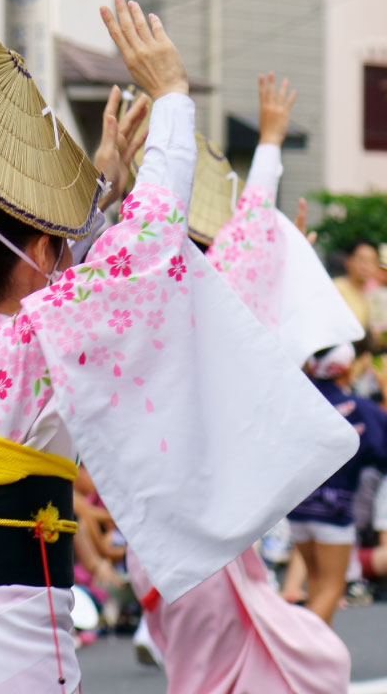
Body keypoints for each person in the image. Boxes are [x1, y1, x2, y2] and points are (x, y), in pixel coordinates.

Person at [0, 0, 356, 693]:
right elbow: (143, 247)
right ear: (44, 255)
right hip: (4, 655)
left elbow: (90, 276)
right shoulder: (32, 348)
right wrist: (172, 96)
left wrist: (91, 200)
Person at [124, 72, 357, 693]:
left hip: (155, 532)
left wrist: (118, 181)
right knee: (228, 674)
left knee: (207, 671)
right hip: (204, 534)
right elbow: (250, 234)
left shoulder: (124, 302)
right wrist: (271, 142)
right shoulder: (205, 298)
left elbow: (244, 246)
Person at [286, 345, 387, 625]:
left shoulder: (297, 403)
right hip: (335, 509)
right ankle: (301, 653)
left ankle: (318, 657)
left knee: (317, 581)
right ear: (345, 368)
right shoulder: (358, 409)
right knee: (333, 585)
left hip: (297, 506)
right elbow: (381, 450)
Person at [335, 238, 381, 336]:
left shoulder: (368, 294)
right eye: (361, 259)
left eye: (372, 261)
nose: (366, 266)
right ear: (348, 261)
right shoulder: (337, 288)